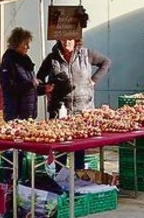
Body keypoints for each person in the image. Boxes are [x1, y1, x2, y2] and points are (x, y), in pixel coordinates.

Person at [38, 36, 111, 170]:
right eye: (63, 39)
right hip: (60, 111)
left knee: (79, 150)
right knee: (61, 149)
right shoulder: (52, 58)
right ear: (59, 40)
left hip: (82, 111)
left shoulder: (86, 54)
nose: (67, 42)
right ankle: (60, 178)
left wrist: (94, 80)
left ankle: (77, 177)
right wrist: (45, 88)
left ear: (76, 40)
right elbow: (39, 78)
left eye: (70, 39)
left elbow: (106, 62)